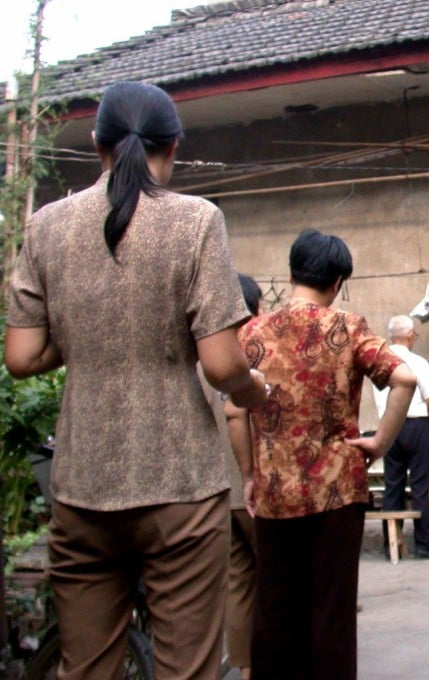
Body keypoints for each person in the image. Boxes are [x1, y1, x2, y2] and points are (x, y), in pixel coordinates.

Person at [4, 81, 269, 678]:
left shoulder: (47, 226)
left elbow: (21, 356)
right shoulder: (196, 221)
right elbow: (224, 365)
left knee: (87, 667)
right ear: (172, 146)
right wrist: (256, 392)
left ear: (97, 143)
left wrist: (76, 341)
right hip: (180, 482)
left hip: (82, 483)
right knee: (188, 668)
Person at [237, 229, 416, 679]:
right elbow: (404, 379)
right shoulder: (348, 328)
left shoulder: (254, 332)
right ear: (337, 282)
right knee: (331, 610)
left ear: (294, 271)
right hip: (337, 491)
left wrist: (249, 474)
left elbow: (233, 411)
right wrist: (378, 443)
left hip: (274, 493)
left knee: (275, 608)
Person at [375, 315, 429, 559]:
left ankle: (391, 544)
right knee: (419, 484)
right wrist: (426, 421)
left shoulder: (379, 362)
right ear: (409, 335)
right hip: (415, 423)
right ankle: (423, 543)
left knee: (392, 484)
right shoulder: (417, 361)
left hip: (388, 426)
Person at [223, 274, 263, 680]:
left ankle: (245, 666)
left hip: (217, 487)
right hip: (247, 486)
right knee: (276, 574)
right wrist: (250, 474)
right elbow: (236, 412)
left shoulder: (202, 355)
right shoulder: (243, 353)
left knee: (241, 579)